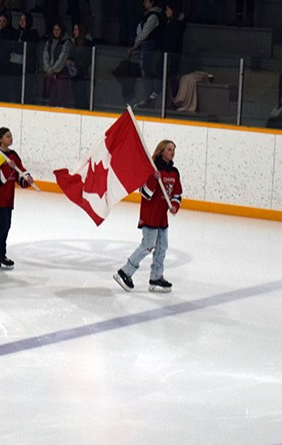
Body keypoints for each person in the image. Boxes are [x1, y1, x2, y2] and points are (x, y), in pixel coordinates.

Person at [113, 140, 182, 293]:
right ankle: (125, 272)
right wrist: (153, 179)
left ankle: (156, 277)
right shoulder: (151, 170)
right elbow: (145, 194)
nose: (172, 152)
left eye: (173, 150)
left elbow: (177, 193)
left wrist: (175, 206)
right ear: (162, 151)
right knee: (148, 245)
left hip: (162, 217)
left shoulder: (174, 172)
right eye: (169, 149)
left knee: (162, 247)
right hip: (150, 214)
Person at [0, 127, 34, 271]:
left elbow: (20, 173)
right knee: (3, 225)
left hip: (9, 198)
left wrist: (26, 179)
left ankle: (0, 254)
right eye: (7, 136)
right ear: (0, 139)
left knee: (7, 225)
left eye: (11, 136)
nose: (10, 138)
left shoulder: (13, 155)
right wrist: (8, 168)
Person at [128, 0, 165, 109]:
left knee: (147, 70)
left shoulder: (154, 16)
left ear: (152, 2)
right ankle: (148, 98)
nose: (144, 4)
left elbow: (145, 33)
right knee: (145, 70)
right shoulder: (148, 16)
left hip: (150, 47)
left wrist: (135, 45)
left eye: (146, 1)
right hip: (147, 47)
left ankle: (149, 99)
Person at [9, 12, 40, 103]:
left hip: (26, 67)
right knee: (15, 90)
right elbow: (11, 46)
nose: (21, 22)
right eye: (20, 19)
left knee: (26, 90)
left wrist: (17, 47)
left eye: (24, 20)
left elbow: (28, 48)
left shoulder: (33, 33)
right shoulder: (15, 32)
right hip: (15, 66)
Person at [42, 21, 73, 107]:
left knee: (61, 97)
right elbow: (45, 55)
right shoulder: (49, 42)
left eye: (58, 30)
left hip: (61, 74)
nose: (55, 32)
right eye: (54, 29)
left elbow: (62, 58)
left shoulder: (66, 43)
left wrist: (53, 70)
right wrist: (47, 69)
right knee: (51, 97)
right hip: (50, 73)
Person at [0, 13, 16, 102]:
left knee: (4, 87)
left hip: (6, 66)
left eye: (4, 21)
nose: (1, 23)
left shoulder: (10, 33)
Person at [68, 22, 93, 110]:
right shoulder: (72, 43)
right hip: (74, 74)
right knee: (76, 96)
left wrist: (77, 64)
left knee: (82, 95)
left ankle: (84, 111)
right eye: (74, 30)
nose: (74, 32)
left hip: (83, 74)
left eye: (76, 29)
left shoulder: (87, 44)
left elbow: (87, 60)